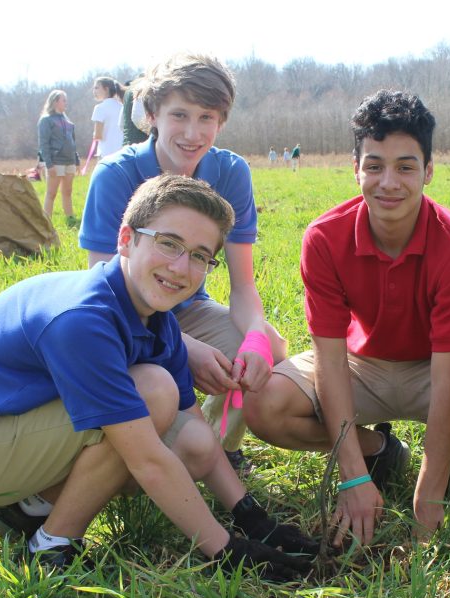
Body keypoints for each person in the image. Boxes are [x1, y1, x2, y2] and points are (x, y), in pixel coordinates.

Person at [0, 175, 318, 577]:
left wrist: (253, 519)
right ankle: (52, 544)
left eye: (199, 256)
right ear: (127, 239)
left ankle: (30, 507)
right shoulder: (83, 320)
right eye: (169, 243)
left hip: (27, 428)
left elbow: (197, 431)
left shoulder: (156, 316)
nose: (181, 267)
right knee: (152, 395)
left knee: (193, 442)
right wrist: (226, 550)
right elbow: (147, 460)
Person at [243, 90, 450, 545]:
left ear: (428, 171)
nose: (389, 182)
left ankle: (445, 457)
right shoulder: (324, 238)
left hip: (435, 369)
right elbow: (329, 363)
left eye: (405, 167)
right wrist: (352, 477)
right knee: (263, 403)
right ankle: (382, 452)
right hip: (358, 367)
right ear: (356, 169)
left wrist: (428, 499)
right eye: (374, 166)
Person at [79, 53, 287, 471]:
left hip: (186, 307)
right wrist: (182, 347)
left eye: (207, 117)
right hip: (124, 320)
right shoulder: (115, 175)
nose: (193, 133)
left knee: (270, 350)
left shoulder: (230, 173)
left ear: (221, 122)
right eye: (180, 115)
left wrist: (255, 341)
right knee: (151, 382)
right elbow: (102, 290)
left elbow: (242, 286)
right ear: (151, 115)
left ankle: (217, 448)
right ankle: (139, 452)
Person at [37, 90, 80, 229]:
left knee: (67, 191)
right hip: (55, 162)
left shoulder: (67, 121)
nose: (66, 103)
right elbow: (43, 144)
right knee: (51, 193)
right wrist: (49, 164)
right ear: (55, 101)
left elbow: (73, 142)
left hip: (69, 161)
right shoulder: (46, 120)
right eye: (63, 100)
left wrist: (77, 160)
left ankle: (70, 218)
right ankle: (46, 221)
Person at [90, 76, 126, 159]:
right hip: (122, 152)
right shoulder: (122, 106)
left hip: (106, 153)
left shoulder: (99, 108)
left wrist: (94, 134)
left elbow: (98, 135)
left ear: (106, 89)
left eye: (96, 88)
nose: (94, 91)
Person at [121, 78, 149, 146]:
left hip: (128, 146)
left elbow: (121, 124)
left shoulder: (129, 90)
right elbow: (138, 118)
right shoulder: (145, 86)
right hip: (142, 146)